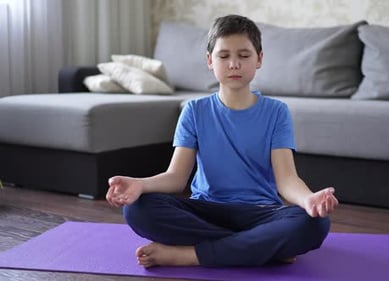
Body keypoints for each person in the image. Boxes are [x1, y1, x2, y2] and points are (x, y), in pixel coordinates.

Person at [106, 14, 339, 268]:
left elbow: (287, 180)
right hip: (206, 211)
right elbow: (175, 178)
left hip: (261, 214)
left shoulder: (276, 111)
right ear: (210, 60)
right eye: (224, 56)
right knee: (138, 209)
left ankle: (188, 255)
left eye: (244, 55)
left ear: (259, 59)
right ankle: (262, 249)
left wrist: (308, 200)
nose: (234, 65)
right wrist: (139, 184)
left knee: (314, 223)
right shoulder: (194, 110)